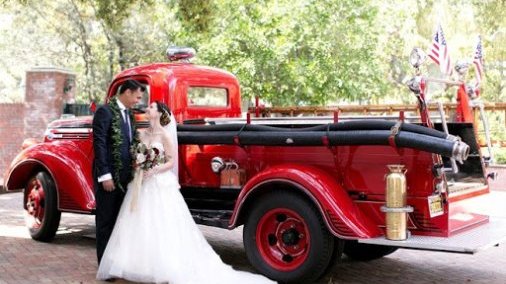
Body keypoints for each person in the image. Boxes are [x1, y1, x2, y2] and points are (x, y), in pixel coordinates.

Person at [97, 101, 276, 284]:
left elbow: (170, 162)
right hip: (142, 183)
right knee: (138, 223)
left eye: (151, 107)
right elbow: (136, 154)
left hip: (158, 182)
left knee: (160, 224)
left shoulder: (165, 135)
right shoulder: (142, 133)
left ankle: (163, 265)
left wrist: (154, 169)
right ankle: (137, 264)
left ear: (159, 113)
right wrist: (139, 163)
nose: (147, 109)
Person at [92, 79, 144, 265]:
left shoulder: (128, 114)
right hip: (109, 177)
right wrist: (105, 175)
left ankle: (116, 262)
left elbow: (130, 143)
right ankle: (104, 266)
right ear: (127, 92)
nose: (138, 101)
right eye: (137, 96)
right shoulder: (104, 111)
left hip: (125, 176)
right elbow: (99, 144)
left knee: (119, 221)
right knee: (105, 221)